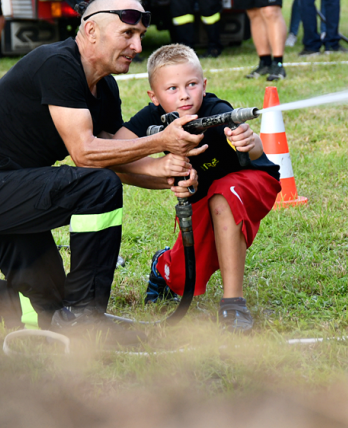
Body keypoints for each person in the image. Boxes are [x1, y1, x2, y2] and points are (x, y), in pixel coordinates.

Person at [0, 0, 205, 341]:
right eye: (127, 34)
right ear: (91, 32)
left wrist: (165, 172)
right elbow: (86, 154)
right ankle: (86, 315)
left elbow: (117, 153)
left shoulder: (105, 87)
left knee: (49, 310)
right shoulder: (58, 64)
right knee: (98, 186)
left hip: (15, 187)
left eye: (139, 37)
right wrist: (162, 142)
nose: (136, 46)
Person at [118, 44, 281, 333]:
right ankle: (163, 266)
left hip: (252, 185)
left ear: (204, 86)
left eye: (191, 84)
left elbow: (252, 149)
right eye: (172, 88)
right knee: (183, 277)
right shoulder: (151, 117)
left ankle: (233, 304)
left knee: (224, 194)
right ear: (153, 97)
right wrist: (167, 168)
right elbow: (118, 147)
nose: (183, 94)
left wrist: (250, 142)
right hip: (203, 199)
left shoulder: (218, 112)